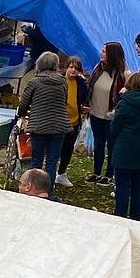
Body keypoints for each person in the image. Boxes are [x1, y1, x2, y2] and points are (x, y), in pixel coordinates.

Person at [16, 51, 72, 198]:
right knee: (52, 162)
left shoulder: (35, 82)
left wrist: (21, 113)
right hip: (59, 126)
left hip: (39, 125)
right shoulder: (63, 81)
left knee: (36, 161)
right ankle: (48, 192)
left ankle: (33, 191)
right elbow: (64, 101)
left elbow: (24, 104)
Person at [110, 69, 140, 221]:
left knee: (122, 185)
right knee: (139, 185)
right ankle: (137, 217)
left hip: (125, 150)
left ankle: (121, 215)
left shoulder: (125, 103)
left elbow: (115, 128)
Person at [86, 40, 127, 186]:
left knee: (112, 145)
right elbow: (90, 86)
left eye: (104, 51)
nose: (101, 53)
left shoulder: (122, 74)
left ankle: (109, 174)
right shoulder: (99, 68)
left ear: (112, 54)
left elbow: (123, 97)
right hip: (96, 113)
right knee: (98, 144)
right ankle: (96, 172)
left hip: (111, 116)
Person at [56, 56, 89, 187]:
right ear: (66, 67)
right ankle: (51, 173)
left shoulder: (80, 83)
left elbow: (83, 98)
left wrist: (83, 108)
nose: (73, 70)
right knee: (56, 148)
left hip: (74, 121)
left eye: (76, 68)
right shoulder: (59, 80)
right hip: (59, 121)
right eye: (71, 67)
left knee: (68, 149)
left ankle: (62, 173)